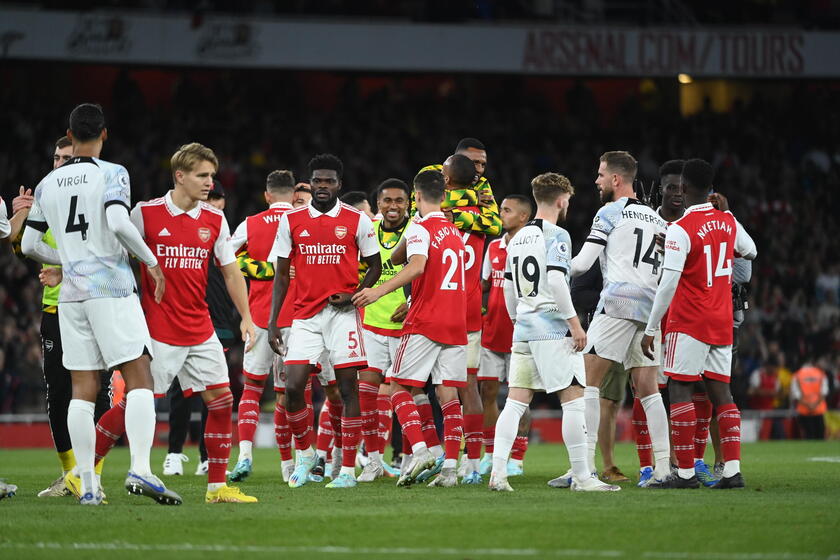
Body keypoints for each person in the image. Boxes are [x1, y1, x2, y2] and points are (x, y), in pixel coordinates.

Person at [21, 103, 180, 505]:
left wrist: (69, 261)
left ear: (69, 137)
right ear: (104, 134)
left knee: (82, 387)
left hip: (71, 297)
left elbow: (28, 244)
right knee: (140, 374)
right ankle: (141, 470)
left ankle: (88, 487)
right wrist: (151, 262)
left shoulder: (47, 184)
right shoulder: (113, 173)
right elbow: (117, 221)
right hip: (110, 290)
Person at [130, 143, 256, 502]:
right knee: (137, 401)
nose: (209, 182)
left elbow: (232, 273)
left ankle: (216, 487)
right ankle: (87, 474)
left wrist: (246, 317)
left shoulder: (214, 219)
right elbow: (113, 251)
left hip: (200, 328)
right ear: (180, 176)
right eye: (202, 175)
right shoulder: (145, 214)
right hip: (159, 330)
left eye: (212, 176)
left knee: (221, 400)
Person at [489, 172, 618, 493]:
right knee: (574, 399)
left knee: (516, 401)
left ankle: (497, 475)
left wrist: (517, 318)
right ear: (561, 200)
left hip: (524, 329)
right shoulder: (557, 234)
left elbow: (506, 287)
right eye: (568, 201)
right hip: (552, 328)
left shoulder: (516, 238)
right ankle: (583, 477)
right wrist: (575, 325)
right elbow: (559, 281)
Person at [267, 153, 382, 489]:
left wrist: (355, 294)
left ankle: (347, 471)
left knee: (347, 390)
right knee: (292, 388)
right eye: (317, 180)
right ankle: (305, 455)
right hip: (304, 316)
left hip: (343, 316)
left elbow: (373, 265)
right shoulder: (291, 220)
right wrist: (274, 321)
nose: (322, 186)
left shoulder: (356, 220)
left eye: (329, 181)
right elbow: (281, 276)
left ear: (339, 185)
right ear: (311, 181)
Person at [641, 158, 757, 489]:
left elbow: (667, 284)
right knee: (721, 391)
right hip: (721, 321)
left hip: (688, 321)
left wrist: (651, 329)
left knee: (679, 387)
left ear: (686, 187)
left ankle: (687, 473)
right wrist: (729, 214)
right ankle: (732, 470)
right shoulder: (726, 222)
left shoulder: (680, 229)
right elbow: (751, 251)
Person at [353, 169, 467, 488]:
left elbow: (415, 266)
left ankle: (418, 451)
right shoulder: (453, 231)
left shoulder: (420, 227)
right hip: (456, 320)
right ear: (443, 198)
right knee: (448, 394)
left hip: (426, 319)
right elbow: (400, 254)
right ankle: (449, 471)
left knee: (398, 387)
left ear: (415, 197)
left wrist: (378, 290)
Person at [565, 151, 671, 488]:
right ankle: (664, 469)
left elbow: (582, 263)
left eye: (600, 175)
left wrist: (551, 272)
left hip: (619, 302)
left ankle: (585, 470)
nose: (596, 181)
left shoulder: (610, 212)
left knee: (587, 383)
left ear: (616, 179)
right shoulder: (658, 219)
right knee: (648, 389)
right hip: (651, 308)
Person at [14, 136, 113, 498]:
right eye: (56, 157)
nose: (59, 163)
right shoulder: (47, 198)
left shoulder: (98, 196)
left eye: (66, 157)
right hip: (54, 308)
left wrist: (65, 271)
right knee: (57, 393)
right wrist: (20, 216)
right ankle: (70, 473)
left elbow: (107, 254)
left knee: (96, 392)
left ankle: (93, 472)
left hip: (94, 304)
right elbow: (24, 248)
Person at [227, 170, 298, 482]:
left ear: (267, 196)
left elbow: (224, 257)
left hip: (258, 318)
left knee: (252, 390)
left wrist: (257, 268)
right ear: (294, 195)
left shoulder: (251, 223)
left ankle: (244, 455)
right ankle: (288, 466)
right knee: (290, 394)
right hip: (296, 319)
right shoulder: (303, 220)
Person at [164, 179, 236, 477]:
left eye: (218, 198)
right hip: (183, 317)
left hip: (218, 320)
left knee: (214, 389)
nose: (214, 202)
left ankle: (207, 456)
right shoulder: (187, 228)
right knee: (181, 390)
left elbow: (237, 273)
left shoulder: (224, 233)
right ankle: (174, 453)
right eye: (211, 197)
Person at [356, 179, 411, 482]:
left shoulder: (417, 230)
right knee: (366, 393)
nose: (393, 206)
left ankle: (413, 455)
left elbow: (427, 271)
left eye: (399, 201)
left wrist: (413, 302)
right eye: (387, 200)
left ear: (408, 203)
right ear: (378, 203)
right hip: (371, 323)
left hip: (407, 326)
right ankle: (374, 460)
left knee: (406, 394)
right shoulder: (366, 230)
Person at [477, 194, 533, 478]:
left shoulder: (533, 247)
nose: (501, 214)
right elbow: (485, 285)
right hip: (491, 333)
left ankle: (518, 458)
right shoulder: (493, 247)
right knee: (487, 394)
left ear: (523, 217)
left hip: (520, 334)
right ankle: (490, 453)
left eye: (507, 210)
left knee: (519, 398)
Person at [792, 364, 829, 439]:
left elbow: (796, 394)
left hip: (804, 410)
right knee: (820, 435)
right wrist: (815, 405)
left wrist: (808, 405)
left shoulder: (797, 375)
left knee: (808, 435)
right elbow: (824, 392)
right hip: (819, 409)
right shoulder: (820, 374)